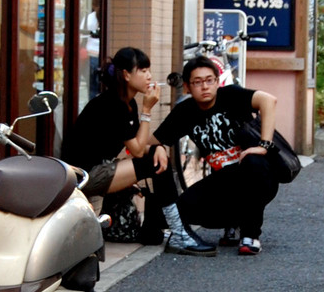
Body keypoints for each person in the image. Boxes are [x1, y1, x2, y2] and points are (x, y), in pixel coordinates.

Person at [61, 46, 214, 255]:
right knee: (151, 162)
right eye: (142, 70)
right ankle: (178, 233)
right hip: (84, 175)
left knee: (156, 158)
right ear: (126, 75)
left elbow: (138, 145)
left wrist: (158, 147)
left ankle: (172, 229)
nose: (149, 76)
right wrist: (147, 110)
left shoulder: (126, 102)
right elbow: (138, 150)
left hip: (99, 169)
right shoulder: (113, 105)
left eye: (148, 70)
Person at [151, 55, 280, 255]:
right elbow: (154, 140)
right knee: (176, 211)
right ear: (187, 87)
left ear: (217, 81)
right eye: (198, 82)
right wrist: (159, 146)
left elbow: (269, 101)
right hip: (222, 182)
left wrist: (264, 145)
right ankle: (233, 220)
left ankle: (250, 234)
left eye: (209, 80)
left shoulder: (230, 95)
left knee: (254, 163)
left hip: (256, 175)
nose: (205, 87)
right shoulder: (185, 111)